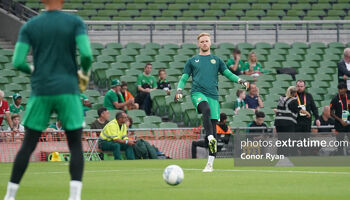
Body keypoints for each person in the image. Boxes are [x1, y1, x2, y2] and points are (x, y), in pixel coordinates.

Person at [4, 0, 93, 199]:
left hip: (41, 89)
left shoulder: (30, 26)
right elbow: (87, 55)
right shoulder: (75, 22)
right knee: (75, 145)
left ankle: (10, 195)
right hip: (68, 89)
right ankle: (74, 196)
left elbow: (18, 61)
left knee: (28, 145)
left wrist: (32, 70)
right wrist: (84, 75)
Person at [175, 32, 249, 172]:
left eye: (206, 41)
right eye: (202, 41)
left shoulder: (217, 60)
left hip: (213, 96)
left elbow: (228, 73)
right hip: (197, 93)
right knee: (206, 110)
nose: (204, 43)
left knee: (214, 129)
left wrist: (240, 80)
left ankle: (210, 164)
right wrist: (179, 90)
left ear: (210, 43)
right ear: (198, 44)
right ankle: (209, 137)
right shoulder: (192, 60)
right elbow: (184, 78)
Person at [274, 86, 308, 156]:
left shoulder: (281, 98)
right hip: (288, 123)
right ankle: (286, 155)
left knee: (280, 140)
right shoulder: (293, 100)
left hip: (278, 122)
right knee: (288, 140)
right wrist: (307, 113)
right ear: (295, 93)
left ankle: (279, 155)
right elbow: (298, 110)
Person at [295, 80, 320, 145]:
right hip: (296, 120)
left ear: (304, 87)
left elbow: (314, 108)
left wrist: (317, 118)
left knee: (306, 139)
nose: (299, 88)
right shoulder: (293, 96)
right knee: (295, 140)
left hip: (306, 120)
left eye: (301, 86)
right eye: (298, 86)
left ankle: (305, 153)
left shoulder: (308, 96)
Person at [330, 83, 350, 155]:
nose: (340, 91)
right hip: (339, 125)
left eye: (341, 89)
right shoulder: (335, 99)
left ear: (345, 89)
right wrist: (340, 120)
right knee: (340, 144)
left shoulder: (349, 97)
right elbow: (331, 113)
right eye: (339, 89)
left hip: (349, 124)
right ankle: (340, 159)